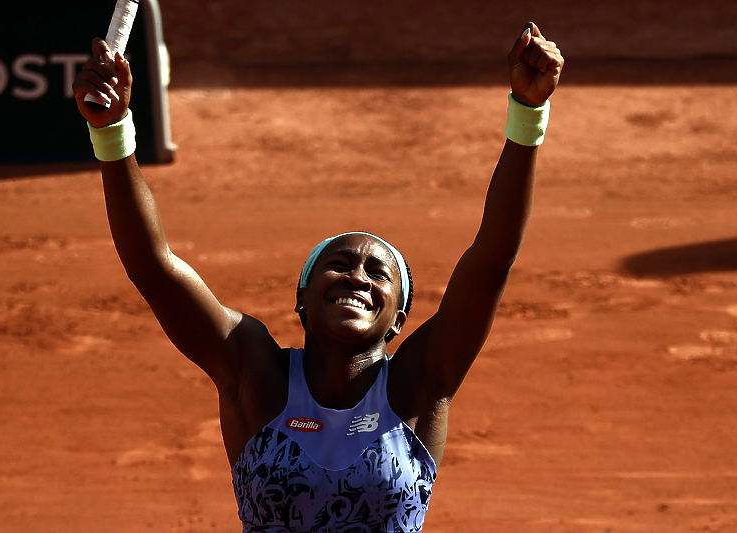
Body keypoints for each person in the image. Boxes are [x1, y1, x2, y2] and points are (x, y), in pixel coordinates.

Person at [73, 21, 563, 533]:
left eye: (379, 273)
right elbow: (155, 268)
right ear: (302, 298)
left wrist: (528, 115)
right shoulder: (252, 370)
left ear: (398, 318)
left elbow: (490, 261)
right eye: (339, 264)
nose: (357, 277)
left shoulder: (419, 384)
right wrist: (112, 131)